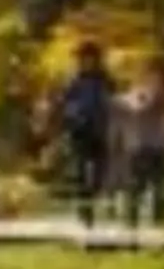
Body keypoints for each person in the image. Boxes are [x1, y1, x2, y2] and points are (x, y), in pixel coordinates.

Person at [50, 41, 118, 226]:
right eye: (82, 58)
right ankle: (84, 208)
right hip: (79, 130)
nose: (85, 62)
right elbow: (62, 104)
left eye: (89, 58)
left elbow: (115, 103)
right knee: (80, 169)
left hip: (100, 130)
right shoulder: (74, 81)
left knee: (100, 170)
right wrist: (65, 119)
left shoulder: (106, 80)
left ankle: (92, 197)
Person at [116, 56, 164, 229]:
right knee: (136, 186)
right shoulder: (138, 93)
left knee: (163, 187)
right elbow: (132, 108)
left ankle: (160, 222)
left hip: (160, 146)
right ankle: (131, 222)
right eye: (156, 74)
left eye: (162, 75)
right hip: (140, 145)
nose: (159, 79)